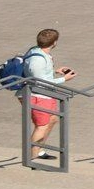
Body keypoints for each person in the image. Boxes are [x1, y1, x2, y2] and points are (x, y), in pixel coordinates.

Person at [20, 28, 75, 160]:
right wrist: (64, 79)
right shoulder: (37, 60)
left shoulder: (37, 51)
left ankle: (37, 150)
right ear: (54, 43)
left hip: (44, 94)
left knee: (52, 120)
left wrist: (54, 71)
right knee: (41, 126)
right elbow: (40, 81)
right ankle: (31, 158)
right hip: (38, 96)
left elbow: (39, 74)